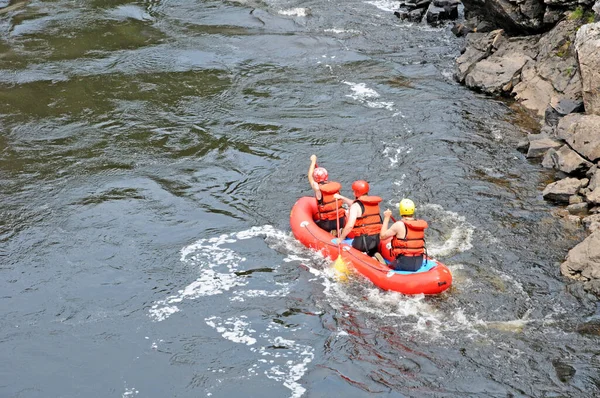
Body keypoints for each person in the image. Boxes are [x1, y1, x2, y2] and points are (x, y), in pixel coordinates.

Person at [334, 180, 383, 257]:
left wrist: (340, 239)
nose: (353, 193)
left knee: (350, 246)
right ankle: (374, 255)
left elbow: (350, 226)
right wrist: (341, 197)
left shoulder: (355, 206)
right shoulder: (374, 204)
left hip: (363, 242)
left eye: (354, 191)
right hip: (376, 240)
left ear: (357, 192)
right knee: (371, 251)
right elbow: (355, 203)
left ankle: (368, 256)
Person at [380, 198, 428, 272]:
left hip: (404, 263)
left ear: (401, 210)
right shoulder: (419, 225)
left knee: (384, 263)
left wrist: (386, 218)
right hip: (418, 262)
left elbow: (382, 236)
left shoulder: (399, 225)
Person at [308, 155, 346, 234]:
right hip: (341, 221)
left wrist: (313, 161)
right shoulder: (335, 187)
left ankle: (329, 234)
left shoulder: (318, 188)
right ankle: (338, 231)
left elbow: (310, 177)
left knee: (315, 224)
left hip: (327, 223)